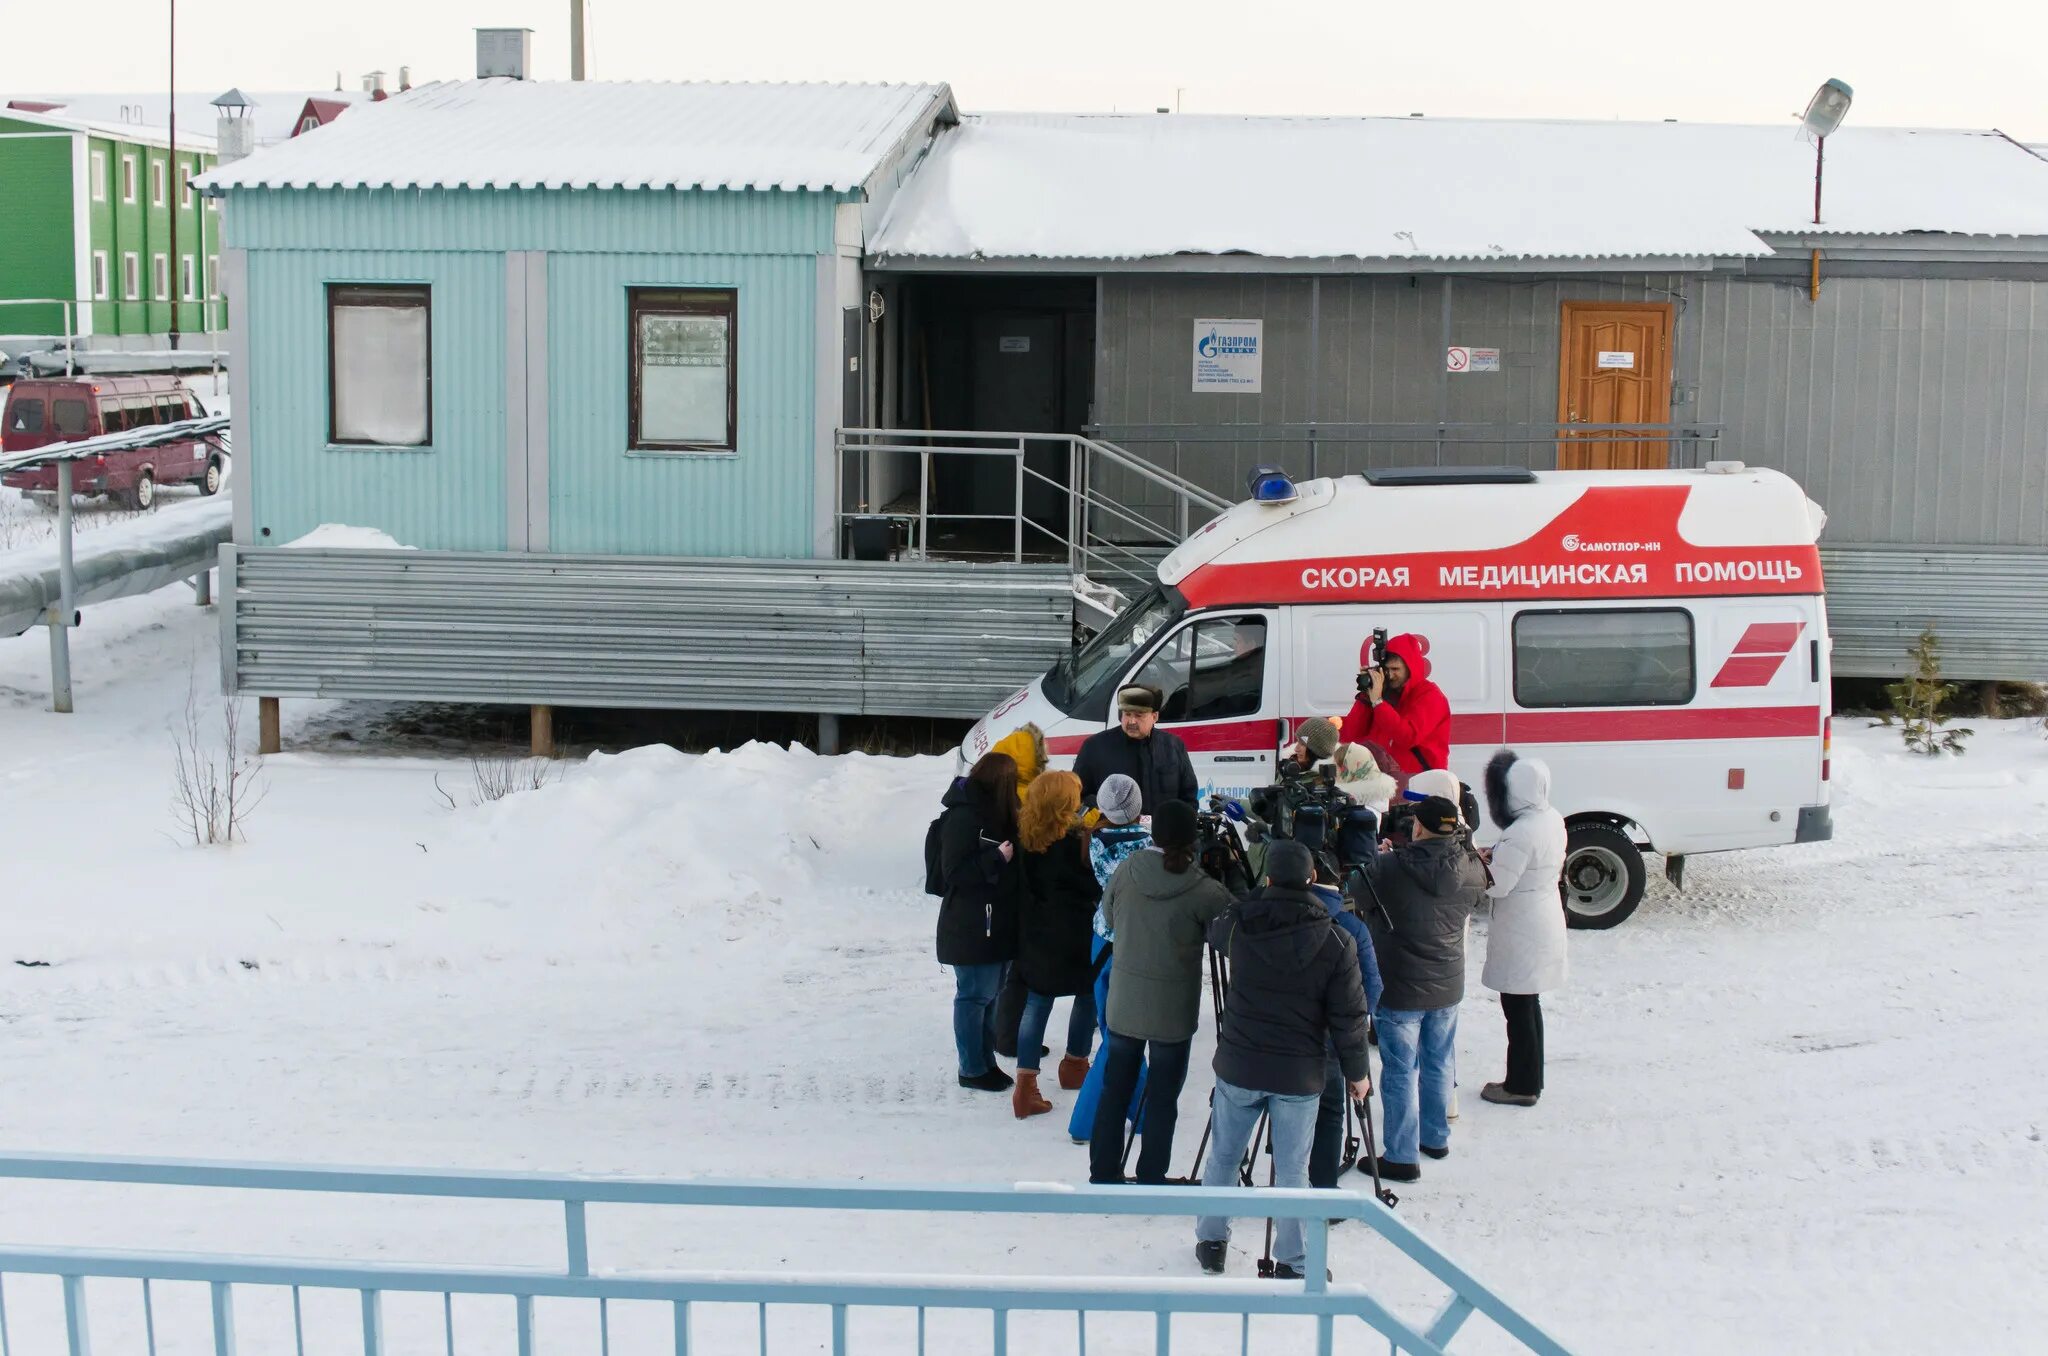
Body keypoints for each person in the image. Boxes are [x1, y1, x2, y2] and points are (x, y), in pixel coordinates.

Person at [1194, 842, 1371, 1278]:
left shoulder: (1238, 924)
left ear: (1268, 879)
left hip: (1239, 1062)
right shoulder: (1336, 939)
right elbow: (1349, 1017)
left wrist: (1251, 894)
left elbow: (1213, 926)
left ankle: (1212, 1240)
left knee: (1224, 1156)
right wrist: (1358, 1073)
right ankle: (1295, 1260)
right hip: (1299, 1073)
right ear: (1313, 880)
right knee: (1293, 1169)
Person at [1091, 800, 1235, 1185]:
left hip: (1124, 1003)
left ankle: (1103, 1173)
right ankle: (1152, 1173)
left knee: (1114, 1090)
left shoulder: (1126, 869)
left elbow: (1106, 918)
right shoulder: (1203, 889)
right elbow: (1237, 938)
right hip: (1173, 1012)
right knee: (1162, 1098)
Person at [1355, 794, 1486, 1183]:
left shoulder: (1389, 866)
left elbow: (1357, 894)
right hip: (1447, 981)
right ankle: (1435, 1137)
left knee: (1398, 1069)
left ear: (1418, 827)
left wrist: (1379, 858)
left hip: (1399, 983)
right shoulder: (1471, 865)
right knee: (1440, 1060)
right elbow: (1477, 893)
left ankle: (1400, 1155)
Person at [1478, 750, 1568, 1108]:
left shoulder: (1520, 832)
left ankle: (1520, 1085)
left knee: (1517, 1007)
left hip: (1522, 925)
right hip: (1543, 914)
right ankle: (1531, 1079)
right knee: (1529, 1004)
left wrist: (1476, 862)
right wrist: (1497, 852)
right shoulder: (1551, 818)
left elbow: (1497, 885)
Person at [1012, 771, 1103, 1118]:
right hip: (1075, 932)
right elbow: (1091, 887)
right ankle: (1075, 1063)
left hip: (1036, 932)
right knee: (1086, 996)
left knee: (1036, 1004)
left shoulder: (1025, 838)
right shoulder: (1075, 841)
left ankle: (1025, 1084)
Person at [1068, 775, 1150, 1145]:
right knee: (1124, 1035)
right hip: (1135, 943)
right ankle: (1086, 1121)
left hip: (1101, 939)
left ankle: (1144, 1110)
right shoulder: (1148, 845)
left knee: (1113, 1028)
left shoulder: (1095, 841)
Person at [936, 751, 1021, 1093]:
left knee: (990, 996)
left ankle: (986, 1063)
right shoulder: (965, 816)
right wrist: (996, 858)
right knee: (973, 997)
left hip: (993, 923)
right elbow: (953, 872)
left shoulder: (993, 811)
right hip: (971, 925)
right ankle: (971, 1068)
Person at [1308, 858, 1383, 1191]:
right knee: (1330, 1110)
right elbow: (1373, 987)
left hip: (1284, 1034)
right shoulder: (1353, 927)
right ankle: (1324, 1190)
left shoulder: (1276, 916)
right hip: (1331, 1037)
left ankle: (1287, 1188)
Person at [1074, 684, 1199, 815]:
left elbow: (1188, 798)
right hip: (1112, 833)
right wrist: (1105, 812)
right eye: (1127, 714)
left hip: (1163, 833)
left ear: (1154, 717)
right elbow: (1077, 796)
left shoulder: (1173, 746)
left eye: (1139, 715)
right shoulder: (1095, 747)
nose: (1132, 721)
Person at [1338, 633, 1451, 777]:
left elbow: (1407, 737)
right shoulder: (1383, 693)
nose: (1390, 675)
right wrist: (1366, 697)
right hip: (1381, 781)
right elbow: (1350, 734)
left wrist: (1378, 703)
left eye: (1396, 669)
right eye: (1387, 670)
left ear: (1411, 668)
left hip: (1418, 782)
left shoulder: (1430, 696)